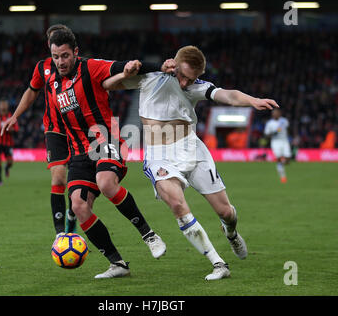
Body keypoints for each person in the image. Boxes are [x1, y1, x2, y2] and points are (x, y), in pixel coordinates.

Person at [102, 45, 279, 280]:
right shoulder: (149, 77)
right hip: (159, 155)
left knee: (226, 212)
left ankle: (231, 232)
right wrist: (128, 71)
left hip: (192, 150)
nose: (185, 83)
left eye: (191, 78)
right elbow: (108, 85)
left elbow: (229, 95)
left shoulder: (196, 87)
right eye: (182, 76)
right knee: (176, 204)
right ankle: (219, 264)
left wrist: (253, 100)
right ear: (173, 64)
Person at [43, 28, 174, 278]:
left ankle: (149, 234)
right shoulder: (51, 85)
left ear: (75, 53)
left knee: (105, 183)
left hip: (105, 138)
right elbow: (56, 123)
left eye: (65, 56)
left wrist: (159, 66)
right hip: (79, 152)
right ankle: (117, 263)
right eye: (55, 56)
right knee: (79, 206)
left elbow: (124, 67)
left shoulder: (90, 67)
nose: (60, 62)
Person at [1, 25, 77, 236]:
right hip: (55, 130)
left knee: (77, 184)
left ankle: (73, 213)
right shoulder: (42, 67)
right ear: (49, 44)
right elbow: (31, 92)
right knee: (59, 178)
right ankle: (60, 234)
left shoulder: (78, 65)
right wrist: (15, 116)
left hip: (80, 129)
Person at [264, 109, 291, 183]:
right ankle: (283, 177)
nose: (274, 115)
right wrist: (273, 133)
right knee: (278, 158)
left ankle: (280, 164)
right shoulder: (270, 123)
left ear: (279, 113)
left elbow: (288, 129)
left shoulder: (284, 121)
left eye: (276, 113)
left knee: (288, 159)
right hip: (275, 142)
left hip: (284, 141)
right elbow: (266, 134)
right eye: (273, 113)